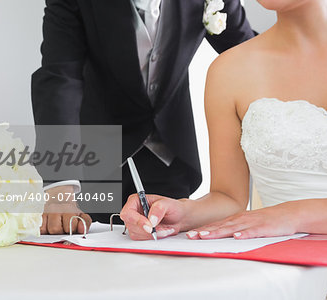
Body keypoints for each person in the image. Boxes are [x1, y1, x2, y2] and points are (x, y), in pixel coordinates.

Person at [121, 0, 327, 241]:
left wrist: (295, 215)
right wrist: (183, 213)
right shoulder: (228, 70)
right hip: (285, 271)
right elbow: (229, 198)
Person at [31, 0, 255, 234]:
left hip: (170, 156)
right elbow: (60, 79)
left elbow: (249, 54)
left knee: (167, 257)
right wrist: (61, 185)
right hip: (98, 162)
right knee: (93, 255)